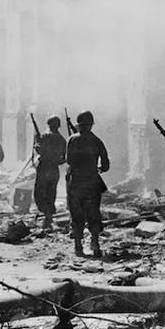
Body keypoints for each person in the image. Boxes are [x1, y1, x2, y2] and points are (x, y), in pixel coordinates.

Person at [65, 110, 109, 257]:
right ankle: (95, 244)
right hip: (92, 183)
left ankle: (78, 247)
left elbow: (69, 160)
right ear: (91, 125)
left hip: (76, 182)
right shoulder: (97, 141)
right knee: (93, 213)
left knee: (76, 214)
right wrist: (97, 168)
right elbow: (106, 165)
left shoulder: (72, 139)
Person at [34, 115, 66, 229]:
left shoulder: (45, 136)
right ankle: (49, 217)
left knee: (40, 193)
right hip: (54, 169)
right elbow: (64, 158)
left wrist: (37, 143)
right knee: (51, 193)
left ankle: (47, 216)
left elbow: (39, 151)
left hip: (44, 167)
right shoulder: (62, 139)